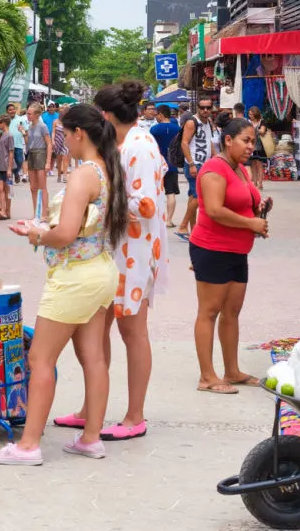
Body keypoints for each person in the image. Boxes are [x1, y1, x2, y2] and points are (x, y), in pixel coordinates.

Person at [0, 104, 128, 466]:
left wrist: (35, 232)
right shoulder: (106, 170)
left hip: (76, 277)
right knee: (93, 357)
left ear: (80, 133)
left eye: (64, 132)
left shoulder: (83, 175)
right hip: (99, 270)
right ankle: (91, 437)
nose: (61, 140)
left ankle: (29, 444)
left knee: (40, 357)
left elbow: (64, 234)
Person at [57, 82, 168, 441]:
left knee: (132, 332)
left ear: (104, 116)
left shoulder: (138, 146)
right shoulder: (128, 143)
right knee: (97, 329)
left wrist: (102, 203)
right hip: (119, 250)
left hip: (133, 253)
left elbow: (146, 204)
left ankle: (135, 415)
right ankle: (92, 410)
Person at [190, 115, 271, 394]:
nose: (250, 147)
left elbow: (241, 204)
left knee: (232, 312)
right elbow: (213, 210)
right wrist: (250, 223)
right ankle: (207, 377)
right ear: (228, 140)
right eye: (245, 141)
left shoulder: (239, 169)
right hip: (213, 248)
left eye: (253, 142)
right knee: (209, 312)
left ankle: (232, 370)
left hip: (237, 249)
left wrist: (258, 213)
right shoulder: (215, 168)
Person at [176, 98, 214, 238]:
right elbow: (184, 143)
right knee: (199, 197)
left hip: (204, 164)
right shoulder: (192, 122)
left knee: (193, 197)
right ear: (197, 107)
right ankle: (182, 226)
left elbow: (208, 142)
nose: (205, 110)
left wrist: (216, 159)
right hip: (195, 164)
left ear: (212, 108)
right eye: (202, 107)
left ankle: (193, 230)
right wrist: (191, 164)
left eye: (208, 107)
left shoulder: (208, 122)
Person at [151, 105, 180, 228]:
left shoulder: (154, 129)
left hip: (157, 164)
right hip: (172, 164)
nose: (156, 116)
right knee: (171, 193)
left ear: (161, 114)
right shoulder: (178, 129)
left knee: (155, 192)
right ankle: (168, 220)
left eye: (157, 114)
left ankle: (156, 219)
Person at [26, 102, 52, 221]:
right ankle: (36, 212)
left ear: (37, 114)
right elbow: (28, 143)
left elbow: (49, 143)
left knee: (42, 186)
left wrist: (48, 161)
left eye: (30, 114)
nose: (28, 115)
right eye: (27, 113)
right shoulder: (30, 126)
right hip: (31, 154)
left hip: (40, 153)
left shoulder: (43, 126)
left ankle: (44, 213)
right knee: (33, 187)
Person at [0, 114, 14, 220]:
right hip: (1, 165)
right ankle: (3, 209)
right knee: (0, 188)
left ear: (4, 123)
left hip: (6, 165)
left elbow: (11, 152)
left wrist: (10, 168)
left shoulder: (9, 135)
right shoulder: (2, 134)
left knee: (7, 189)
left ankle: (7, 210)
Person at [247, 106, 268, 191]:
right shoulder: (248, 122)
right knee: (252, 164)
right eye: (249, 114)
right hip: (251, 145)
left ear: (256, 114)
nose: (250, 116)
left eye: (251, 114)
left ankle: (260, 183)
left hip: (259, 146)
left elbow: (262, 131)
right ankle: (254, 183)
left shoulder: (261, 122)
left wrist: (254, 129)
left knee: (259, 165)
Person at [10, 105, 30, 183]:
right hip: (8, 144)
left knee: (19, 161)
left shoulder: (21, 119)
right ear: (7, 111)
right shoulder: (6, 119)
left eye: (13, 109)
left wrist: (27, 142)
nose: (11, 111)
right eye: (9, 110)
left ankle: (16, 172)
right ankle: (11, 176)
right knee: (10, 161)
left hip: (18, 144)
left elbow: (26, 131)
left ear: (15, 110)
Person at [52, 106, 69, 184]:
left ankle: (65, 175)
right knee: (59, 160)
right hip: (57, 141)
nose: (62, 114)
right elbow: (53, 132)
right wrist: (52, 141)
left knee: (65, 158)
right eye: (61, 112)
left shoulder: (67, 122)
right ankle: (59, 174)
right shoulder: (55, 121)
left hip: (65, 141)